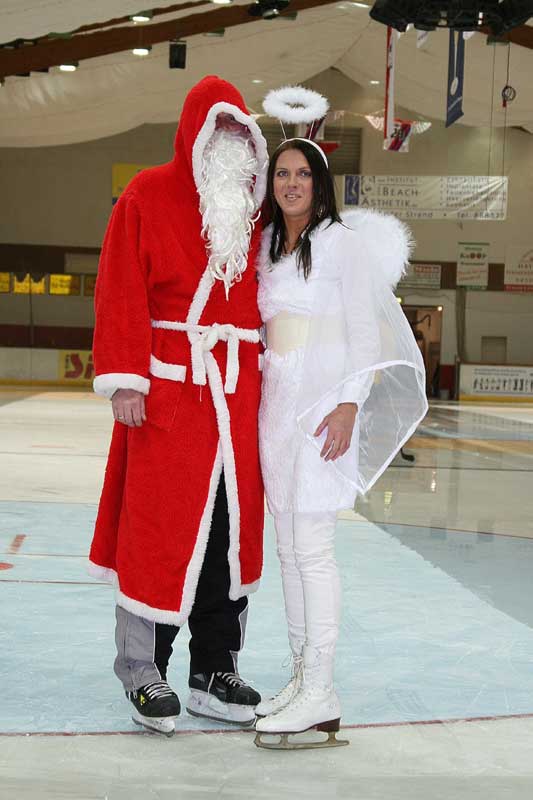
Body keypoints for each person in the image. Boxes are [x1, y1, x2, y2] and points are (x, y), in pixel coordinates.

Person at [88, 76, 269, 736]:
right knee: (158, 530)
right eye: (216, 132)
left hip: (236, 399)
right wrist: (127, 380)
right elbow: (119, 286)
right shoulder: (146, 193)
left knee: (228, 536)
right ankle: (144, 665)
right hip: (169, 391)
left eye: (237, 135)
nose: (227, 146)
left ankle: (213, 667)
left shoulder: (256, 211)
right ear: (194, 133)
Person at [253, 137, 428, 749]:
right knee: (286, 548)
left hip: (325, 409)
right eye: (282, 173)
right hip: (276, 408)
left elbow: (364, 332)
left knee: (313, 548)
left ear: (320, 184)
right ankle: (302, 678)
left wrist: (351, 404)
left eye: (303, 174)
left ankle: (322, 687)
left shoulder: (340, 244)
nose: (292, 183)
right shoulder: (271, 247)